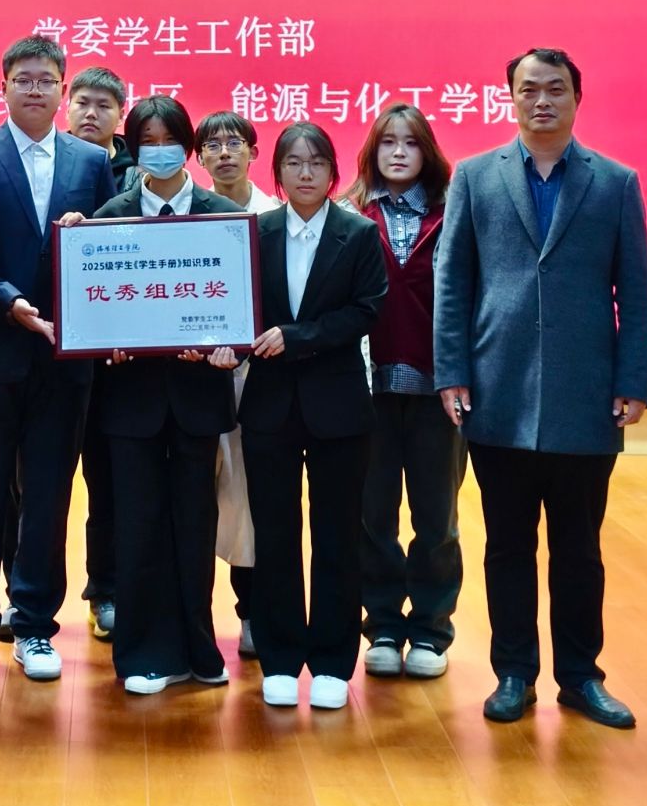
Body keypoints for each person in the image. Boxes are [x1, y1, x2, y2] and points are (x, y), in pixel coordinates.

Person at [434, 48, 647, 731]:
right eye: (528, 89)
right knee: (506, 546)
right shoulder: (475, 177)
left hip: (586, 399)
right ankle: (513, 673)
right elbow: (453, 281)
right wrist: (451, 371)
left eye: (555, 89)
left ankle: (582, 677)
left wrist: (633, 380)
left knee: (579, 550)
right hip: (496, 392)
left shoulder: (615, 182)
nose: (541, 101)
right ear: (510, 98)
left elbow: (636, 291)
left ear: (577, 98)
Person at [0, 35, 118, 684]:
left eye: (47, 80)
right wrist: (9, 301)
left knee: (48, 495)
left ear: (63, 90)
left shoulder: (91, 160)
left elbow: (108, 250)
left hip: (65, 359)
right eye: (24, 79)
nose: (36, 89)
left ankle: (36, 625)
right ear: (3, 86)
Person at [87, 96, 241, 695]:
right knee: (138, 525)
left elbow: (241, 312)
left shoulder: (223, 217)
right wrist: (105, 342)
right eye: (146, 142)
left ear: (189, 147)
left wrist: (229, 347)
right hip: (131, 400)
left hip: (198, 397)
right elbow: (91, 310)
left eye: (169, 140)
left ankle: (199, 648)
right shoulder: (109, 218)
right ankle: (143, 654)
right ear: (132, 150)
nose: (159, 151)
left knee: (195, 525)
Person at [242, 121, 386, 711]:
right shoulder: (255, 231)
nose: (306, 173)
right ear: (277, 172)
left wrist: (297, 337)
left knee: (337, 535)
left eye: (317, 163)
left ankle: (331, 660)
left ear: (333, 172)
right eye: (294, 163)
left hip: (339, 406)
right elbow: (238, 306)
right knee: (274, 533)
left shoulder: (359, 233)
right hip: (269, 405)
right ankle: (279, 657)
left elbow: (366, 311)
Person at [343, 103, 461, 682]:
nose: (397, 152)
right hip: (368, 391)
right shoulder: (350, 213)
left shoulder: (454, 212)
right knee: (374, 517)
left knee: (436, 518)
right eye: (387, 142)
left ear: (427, 153)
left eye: (410, 143)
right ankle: (384, 626)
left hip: (440, 393)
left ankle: (432, 630)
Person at [196, 109, 278, 659]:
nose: (224, 152)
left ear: (253, 151)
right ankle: (192, 622)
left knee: (251, 501)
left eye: (234, 143)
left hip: (260, 380)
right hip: (195, 378)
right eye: (212, 145)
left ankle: (252, 614)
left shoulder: (274, 218)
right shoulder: (188, 216)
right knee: (197, 499)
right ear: (199, 157)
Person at [66, 64, 132, 641]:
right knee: (31, 484)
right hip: (52, 351)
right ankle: (20, 598)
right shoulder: (53, 162)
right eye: (83, 102)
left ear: (120, 115)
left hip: (120, 363)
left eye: (104, 105)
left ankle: (107, 589)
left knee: (111, 482)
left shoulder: (141, 176)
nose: (91, 113)